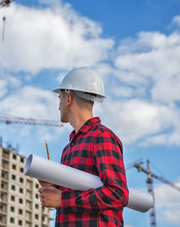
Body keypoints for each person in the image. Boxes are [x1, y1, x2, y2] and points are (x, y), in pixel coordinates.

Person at [38, 67, 129, 227]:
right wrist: (54, 186)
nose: (58, 105)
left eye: (59, 97)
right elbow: (81, 191)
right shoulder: (68, 149)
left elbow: (117, 193)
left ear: (68, 98)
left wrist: (62, 199)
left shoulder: (102, 137)